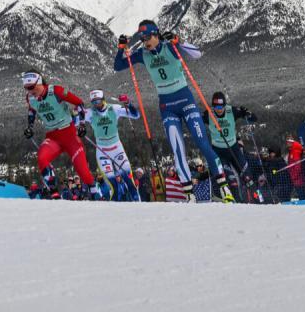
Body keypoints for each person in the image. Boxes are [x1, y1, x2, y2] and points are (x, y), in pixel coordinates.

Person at [113, 20, 233, 203]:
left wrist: (178, 41)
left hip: (186, 100)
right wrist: (121, 47)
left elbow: (197, 53)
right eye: (142, 38)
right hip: (167, 106)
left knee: (202, 143)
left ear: (156, 34)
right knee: (177, 150)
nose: (144, 41)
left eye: (147, 37)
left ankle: (224, 187)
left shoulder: (170, 47)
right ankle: (188, 193)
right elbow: (118, 66)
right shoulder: (142, 54)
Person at [22, 70, 100, 200]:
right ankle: (54, 192)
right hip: (53, 137)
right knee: (42, 157)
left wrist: (81, 124)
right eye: (27, 88)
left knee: (83, 171)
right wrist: (30, 127)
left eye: (32, 87)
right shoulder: (30, 98)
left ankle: (94, 190)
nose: (30, 91)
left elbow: (79, 103)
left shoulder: (56, 91)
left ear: (39, 82)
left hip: (69, 135)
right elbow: (32, 110)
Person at [83, 90, 141, 201]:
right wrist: (76, 114)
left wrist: (128, 103)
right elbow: (73, 120)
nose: (97, 104)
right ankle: (114, 212)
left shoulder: (114, 108)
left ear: (103, 99)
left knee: (129, 180)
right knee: (113, 185)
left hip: (117, 148)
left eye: (98, 101)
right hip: (102, 151)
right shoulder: (90, 113)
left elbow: (136, 115)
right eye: (94, 102)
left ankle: (138, 205)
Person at [202, 91, 257, 199]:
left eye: (221, 106)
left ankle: (258, 199)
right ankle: (236, 205)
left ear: (224, 105)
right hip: (219, 152)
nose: (219, 109)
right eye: (216, 106)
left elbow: (254, 119)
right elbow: (195, 121)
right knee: (231, 181)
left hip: (234, 149)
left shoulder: (231, 110)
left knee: (248, 178)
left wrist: (247, 113)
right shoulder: (208, 114)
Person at [286, 134, 305, 200]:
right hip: (295, 177)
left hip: (298, 177)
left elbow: (297, 165)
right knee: (300, 193)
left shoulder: (295, 151)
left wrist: (294, 176)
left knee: (302, 194)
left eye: (288, 142)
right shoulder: (292, 150)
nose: (287, 144)